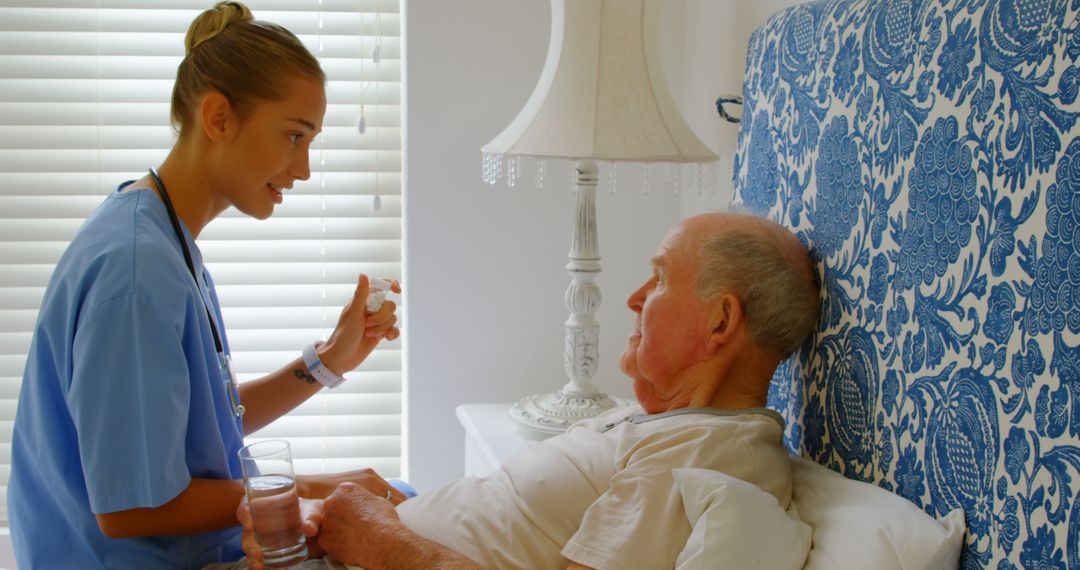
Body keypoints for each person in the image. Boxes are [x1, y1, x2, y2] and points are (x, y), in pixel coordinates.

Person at [7, 3, 405, 569]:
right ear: (217, 117)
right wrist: (319, 490)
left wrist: (328, 362)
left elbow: (195, 428)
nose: (305, 169)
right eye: (294, 136)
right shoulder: (138, 272)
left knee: (403, 503)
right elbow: (132, 510)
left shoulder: (158, 233)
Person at [239, 211, 821, 570]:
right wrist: (379, 512)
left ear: (720, 322)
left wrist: (378, 540)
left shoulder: (703, 454)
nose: (635, 297)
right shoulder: (667, 424)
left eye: (662, 276)